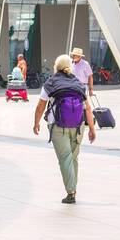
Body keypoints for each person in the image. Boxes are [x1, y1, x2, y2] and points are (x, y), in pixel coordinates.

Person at [34, 54, 97, 204]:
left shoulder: (50, 83)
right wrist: (92, 129)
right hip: (78, 125)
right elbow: (87, 108)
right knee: (73, 158)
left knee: (65, 159)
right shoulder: (78, 83)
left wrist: (36, 122)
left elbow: (40, 106)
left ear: (56, 67)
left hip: (58, 126)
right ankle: (73, 189)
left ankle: (71, 192)